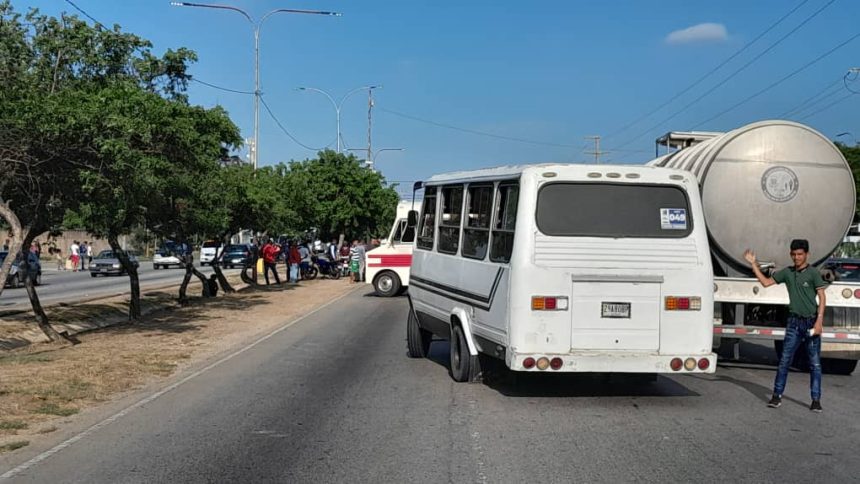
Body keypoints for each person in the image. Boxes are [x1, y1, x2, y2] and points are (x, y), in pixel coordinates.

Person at [744, 239, 827, 412]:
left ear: (807, 255)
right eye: (794, 254)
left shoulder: (813, 273)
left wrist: (819, 321)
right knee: (784, 361)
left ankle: (816, 400)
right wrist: (754, 264)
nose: (796, 257)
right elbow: (766, 283)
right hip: (794, 324)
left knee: (815, 364)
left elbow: (822, 297)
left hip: (811, 322)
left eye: (800, 254)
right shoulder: (787, 273)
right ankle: (776, 396)